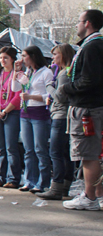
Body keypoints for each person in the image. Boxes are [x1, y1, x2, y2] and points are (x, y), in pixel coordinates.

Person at [61, 9, 103, 211]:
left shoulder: (92, 47)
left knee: (88, 155)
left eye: (79, 21)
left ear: (87, 23)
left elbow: (89, 79)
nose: (76, 25)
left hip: (87, 108)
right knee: (91, 154)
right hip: (91, 107)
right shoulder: (93, 46)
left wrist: (67, 88)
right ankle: (96, 195)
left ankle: (89, 197)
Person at [37, 43, 76, 200]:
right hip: (64, 115)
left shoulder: (64, 75)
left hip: (61, 115)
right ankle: (65, 185)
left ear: (64, 56)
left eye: (56, 55)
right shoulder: (64, 73)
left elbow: (60, 96)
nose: (53, 58)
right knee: (65, 153)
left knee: (56, 152)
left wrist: (49, 88)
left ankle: (57, 186)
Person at [12, 46, 53, 193]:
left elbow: (48, 96)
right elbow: (15, 88)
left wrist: (30, 97)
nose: (22, 59)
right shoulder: (28, 73)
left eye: (24, 56)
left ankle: (43, 182)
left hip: (39, 112)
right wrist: (16, 71)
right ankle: (30, 180)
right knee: (28, 149)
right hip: (25, 112)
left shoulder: (46, 72)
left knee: (40, 149)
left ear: (33, 56)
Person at [0, 47, 22, 188]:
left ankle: (13, 179)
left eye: (6, 58)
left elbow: (17, 97)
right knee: (0, 147)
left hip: (11, 113)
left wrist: (5, 111)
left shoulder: (18, 74)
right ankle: (1, 177)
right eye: (1, 58)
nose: (3, 60)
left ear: (13, 59)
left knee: (11, 147)